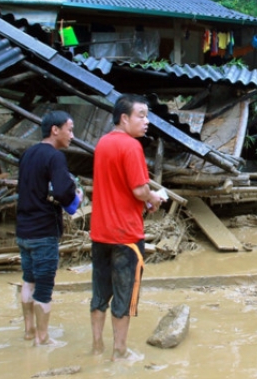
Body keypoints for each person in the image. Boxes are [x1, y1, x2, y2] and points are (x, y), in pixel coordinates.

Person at [90, 96, 164, 360]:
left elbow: (118, 187)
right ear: (124, 118)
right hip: (127, 236)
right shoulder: (131, 147)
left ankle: (97, 347)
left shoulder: (102, 143)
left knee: (100, 293)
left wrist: (142, 200)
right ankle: (119, 352)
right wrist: (153, 198)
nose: (146, 122)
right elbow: (139, 189)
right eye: (141, 116)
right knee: (126, 297)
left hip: (100, 232)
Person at [16, 110, 82, 346]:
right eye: (70, 129)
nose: (72, 135)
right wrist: (77, 197)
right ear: (56, 130)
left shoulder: (28, 154)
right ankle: (42, 340)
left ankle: (29, 331)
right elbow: (64, 192)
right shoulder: (55, 157)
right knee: (43, 288)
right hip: (43, 232)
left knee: (28, 280)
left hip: (23, 231)